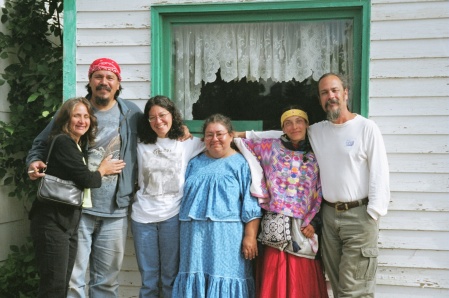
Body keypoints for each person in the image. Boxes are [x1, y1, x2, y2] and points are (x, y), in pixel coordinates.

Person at [242, 73, 390, 297]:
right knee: (340, 283)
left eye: (334, 91)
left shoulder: (366, 128)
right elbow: (280, 135)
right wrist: (235, 134)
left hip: (359, 215)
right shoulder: (317, 131)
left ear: (345, 93)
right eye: (324, 93)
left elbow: (380, 173)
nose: (330, 96)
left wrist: (373, 214)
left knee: (355, 286)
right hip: (330, 216)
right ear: (320, 99)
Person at [26, 58, 142, 298]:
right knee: (72, 280)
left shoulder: (131, 113)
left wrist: (180, 131)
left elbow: (159, 130)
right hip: (77, 209)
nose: (104, 82)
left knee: (107, 282)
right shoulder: (73, 111)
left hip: (115, 211)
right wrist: (33, 161)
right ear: (90, 81)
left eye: (110, 77)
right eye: (98, 76)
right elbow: (41, 142)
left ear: (118, 83)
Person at [28, 97, 125, 297]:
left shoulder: (79, 144)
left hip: (67, 221)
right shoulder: (63, 141)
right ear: (65, 119)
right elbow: (87, 179)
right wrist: (103, 169)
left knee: (62, 283)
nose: (82, 121)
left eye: (86, 116)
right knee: (53, 285)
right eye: (76, 116)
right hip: (51, 220)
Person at [234, 106, 328, 297]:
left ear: (307, 124)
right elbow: (242, 142)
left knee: (301, 281)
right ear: (282, 128)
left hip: (304, 227)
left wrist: (315, 222)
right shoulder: (271, 148)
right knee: (274, 278)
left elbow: (324, 188)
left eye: (299, 121)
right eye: (288, 123)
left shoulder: (319, 151)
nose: (294, 127)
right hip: (276, 227)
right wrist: (233, 133)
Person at [172, 114, 262, 298]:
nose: (215, 139)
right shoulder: (194, 162)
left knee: (226, 277)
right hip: (193, 236)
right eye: (209, 135)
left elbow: (250, 203)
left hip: (227, 236)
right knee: (194, 276)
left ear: (230, 135)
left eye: (220, 134)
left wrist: (250, 236)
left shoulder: (241, 164)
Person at [131, 95, 204, 298]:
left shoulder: (186, 143)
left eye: (162, 115)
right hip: (142, 218)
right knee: (149, 280)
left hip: (172, 217)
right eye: (152, 117)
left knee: (170, 277)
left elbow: (219, 143)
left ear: (172, 115)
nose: (158, 121)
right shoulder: (139, 145)